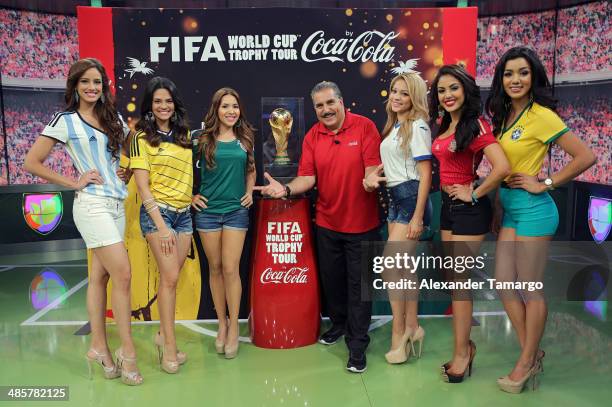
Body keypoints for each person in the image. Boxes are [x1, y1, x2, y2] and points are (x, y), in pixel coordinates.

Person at [24, 58, 142, 386]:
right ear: (75, 86)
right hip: (91, 206)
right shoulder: (65, 120)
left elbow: (125, 157)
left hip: (117, 204)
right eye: (85, 82)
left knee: (99, 277)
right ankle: (127, 351)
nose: (92, 88)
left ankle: (98, 347)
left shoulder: (113, 117)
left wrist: (126, 170)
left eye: (97, 82)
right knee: (123, 273)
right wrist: (73, 182)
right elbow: (32, 161)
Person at [486, 46, 596, 393]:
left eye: (522, 72)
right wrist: (498, 206)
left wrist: (545, 182)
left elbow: (586, 155)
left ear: (533, 77)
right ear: (500, 80)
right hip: (511, 209)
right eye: (508, 73)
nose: (515, 79)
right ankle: (531, 354)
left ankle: (526, 362)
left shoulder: (542, 116)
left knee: (530, 287)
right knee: (504, 283)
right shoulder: (502, 116)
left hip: (534, 209)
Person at [256, 81, 381, 373]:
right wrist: (285, 190)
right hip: (327, 223)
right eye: (319, 106)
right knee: (334, 284)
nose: (325, 110)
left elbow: (372, 168)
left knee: (358, 288)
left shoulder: (364, 127)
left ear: (341, 101)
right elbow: (307, 178)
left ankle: (358, 345)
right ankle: (338, 325)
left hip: (362, 226)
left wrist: (371, 179)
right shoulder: (313, 135)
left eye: (330, 103)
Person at [430, 65, 510, 383]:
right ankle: (463, 347)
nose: (447, 95)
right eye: (441, 90)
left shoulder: (474, 125)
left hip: (468, 210)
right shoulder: (444, 124)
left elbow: (502, 166)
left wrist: (473, 192)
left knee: (460, 283)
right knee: (454, 281)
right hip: (448, 208)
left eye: (453, 88)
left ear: (466, 91)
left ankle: (463, 353)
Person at [363, 72, 432, 364]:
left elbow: (426, 175)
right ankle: (414, 327)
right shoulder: (396, 126)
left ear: (413, 98)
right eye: (394, 90)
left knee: (391, 268)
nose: (396, 96)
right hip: (395, 198)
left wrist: (417, 217)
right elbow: (394, 163)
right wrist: (372, 175)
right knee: (404, 270)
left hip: (410, 198)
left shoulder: (417, 126)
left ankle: (399, 331)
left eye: (404, 93)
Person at [130, 76, 193, 374]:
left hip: (185, 215)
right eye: (157, 101)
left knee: (172, 279)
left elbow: (187, 175)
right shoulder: (140, 137)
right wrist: (162, 226)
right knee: (168, 278)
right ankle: (169, 346)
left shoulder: (184, 135)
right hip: (160, 217)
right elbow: (143, 188)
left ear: (174, 103)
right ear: (150, 105)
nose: (163, 106)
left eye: (168, 100)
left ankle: (161, 335)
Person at [191, 87, 256, 359]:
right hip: (207, 213)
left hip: (235, 212)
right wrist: (190, 195)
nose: (231, 111)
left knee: (231, 269)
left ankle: (233, 330)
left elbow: (251, 170)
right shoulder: (201, 139)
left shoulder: (245, 139)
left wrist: (250, 191)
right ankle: (222, 324)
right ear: (216, 109)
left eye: (235, 106)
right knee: (215, 269)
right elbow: (185, 170)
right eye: (226, 106)